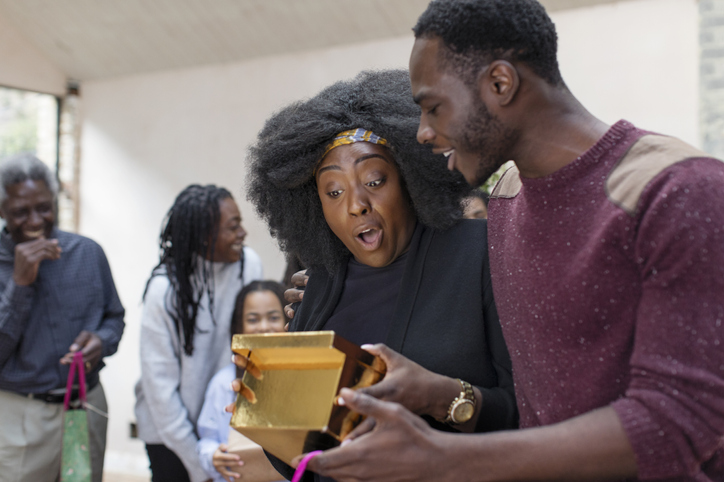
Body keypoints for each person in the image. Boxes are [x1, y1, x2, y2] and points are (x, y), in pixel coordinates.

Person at [292, 1, 724, 481]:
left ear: (500, 83)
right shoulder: (508, 199)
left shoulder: (678, 190)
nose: (424, 134)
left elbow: (679, 422)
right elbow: (529, 405)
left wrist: (441, 460)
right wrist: (435, 393)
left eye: (434, 107)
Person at [242, 69, 517, 482]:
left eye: (374, 180)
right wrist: (273, 415)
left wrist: (441, 395)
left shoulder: (480, 254)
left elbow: (526, 414)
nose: (356, 205)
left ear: (409, 176)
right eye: (333, 191)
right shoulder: (319, 284)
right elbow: (299, 462)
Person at [0, 153, 124, 482]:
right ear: (2, 210)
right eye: (20, 212)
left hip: (87, 404)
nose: (35, 220)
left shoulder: (87, 252)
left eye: (43, 206)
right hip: (20, 415)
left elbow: (114, 318)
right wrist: (20, 283)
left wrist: (102, 341)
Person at [134, 184, 263, 482]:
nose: (243, 233)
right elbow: (160, 391)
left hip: (223, 423)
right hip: (169, 436)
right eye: (233, 227)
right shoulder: (164, 291)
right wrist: (199, 463)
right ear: (205, 236)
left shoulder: (248, 265)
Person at [197, 280, 287, 482]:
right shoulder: (223, 383)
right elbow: (207, 440)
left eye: (273, 318)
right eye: (253, 320)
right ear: (240, 326)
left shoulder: (303, 379)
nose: (264, 328)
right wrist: (212, 456)